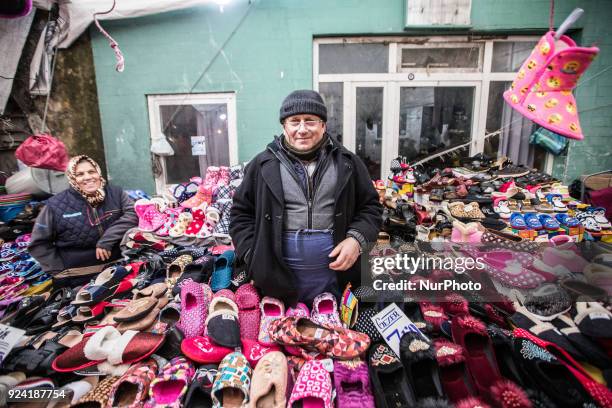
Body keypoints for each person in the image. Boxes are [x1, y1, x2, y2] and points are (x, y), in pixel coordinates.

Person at [230, 90, 382, 306]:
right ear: (284, 126)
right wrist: (253, 255)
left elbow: (370, 208)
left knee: (331, 334)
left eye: (310, 121)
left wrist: (356, 240)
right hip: (277, 282)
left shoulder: (348, 163)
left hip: (337, 280)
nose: (302, 129)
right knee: (287, 334)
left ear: (323, 125)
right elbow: (240, 214)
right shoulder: (262, 165)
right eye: (294, 121)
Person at [29, 155, 137, 275]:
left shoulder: (116, 194)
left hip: (119, 268)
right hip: (78, 276)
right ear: (72, 178)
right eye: (80, 174)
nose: (88, 177)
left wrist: (107, 239)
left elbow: (133, 214)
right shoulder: (55, 205)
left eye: (92, 172)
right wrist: (59, 270)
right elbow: (38, 244)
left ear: (98, 172)